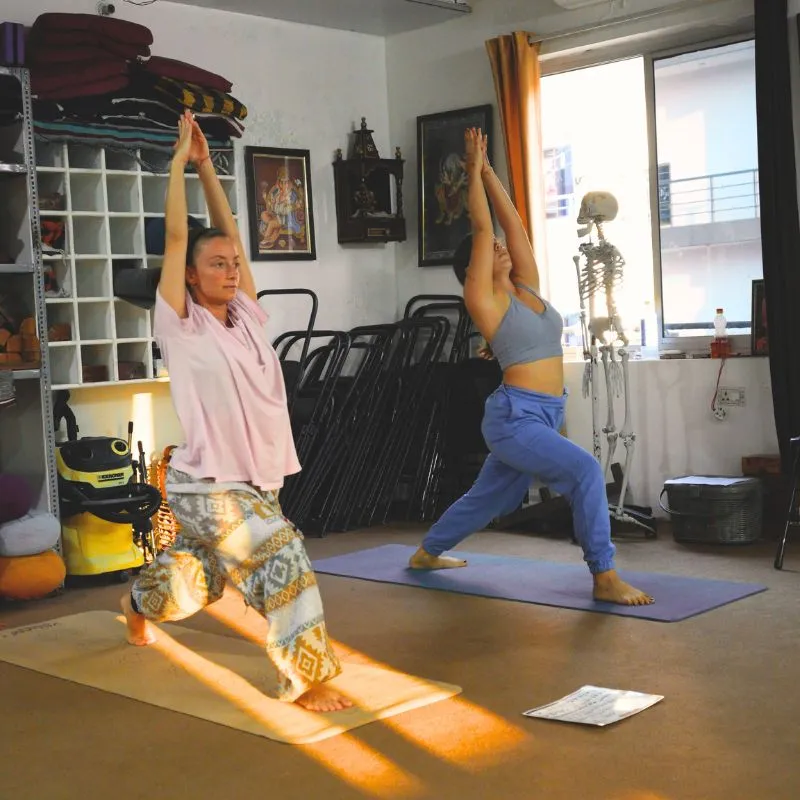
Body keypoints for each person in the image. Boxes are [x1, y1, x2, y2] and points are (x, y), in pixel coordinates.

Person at [120, 111, 353, 711]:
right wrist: (177, 165)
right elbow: (179, 239)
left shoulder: (246, 315)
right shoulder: (180, 323)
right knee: (283, 553)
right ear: (190, 278)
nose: (229, 271)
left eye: (233, 264)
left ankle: (141, 601)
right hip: (207, 484)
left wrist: (207, 168)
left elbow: (230, 233)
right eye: (215, 265)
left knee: (202, 579)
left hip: (256, 482)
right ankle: (306, 677)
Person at [408, 128, 654, 607]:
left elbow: (511, 225)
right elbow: (483, 228)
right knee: (584, 470)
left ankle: (427, 552)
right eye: (490, 249)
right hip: (514, 416)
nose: (501, 246)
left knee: (491, 498)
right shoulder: (483, 299)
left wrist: (487, 171)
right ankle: (604, 575)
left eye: (502, 246)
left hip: (542, 413)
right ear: (472, 269)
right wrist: (472, 174)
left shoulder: (529, 289)